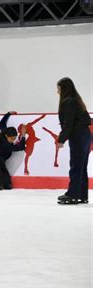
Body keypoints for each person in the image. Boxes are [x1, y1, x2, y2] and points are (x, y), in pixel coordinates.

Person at [55, 77, 91, 205]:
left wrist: (61, 139)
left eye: (59, 88)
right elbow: (88, 119)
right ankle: (82, 195)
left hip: (78, 137)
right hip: (85, 135)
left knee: (76, 165)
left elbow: (68, 124)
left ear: (64, 88)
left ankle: (73, 195)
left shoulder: (68, 102)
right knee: (82, 166)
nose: (57, 91)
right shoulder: (77, 100)